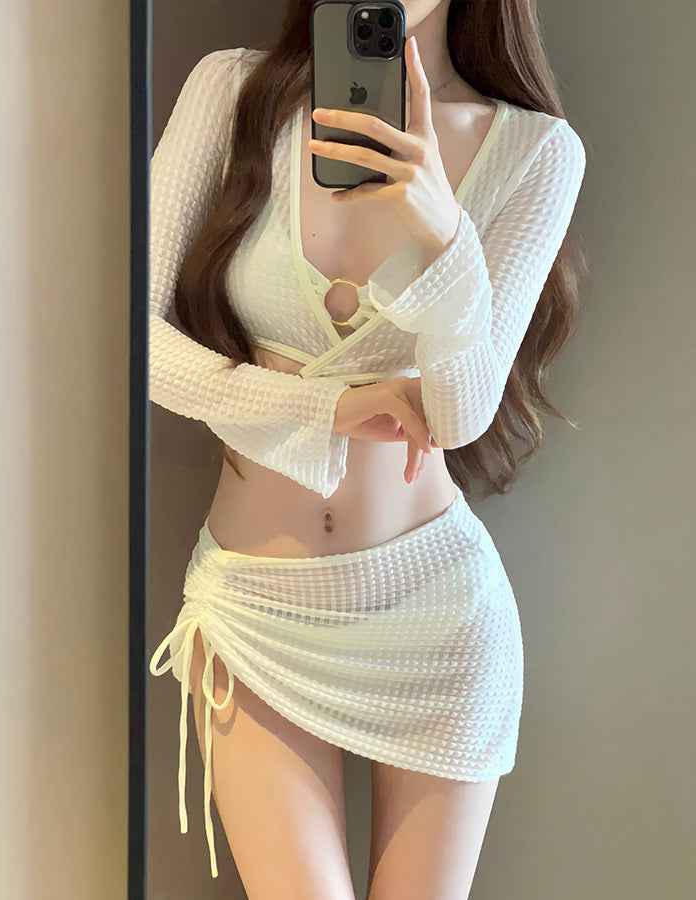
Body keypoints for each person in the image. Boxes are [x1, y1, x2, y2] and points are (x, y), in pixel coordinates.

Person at [148, 1, 587, 897]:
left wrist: (443, 231)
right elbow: (128, 342)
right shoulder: (230, 92)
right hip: (256, 609)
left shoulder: (536, 151)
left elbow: (460, 413)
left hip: (437, 612)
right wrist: (326, 408)